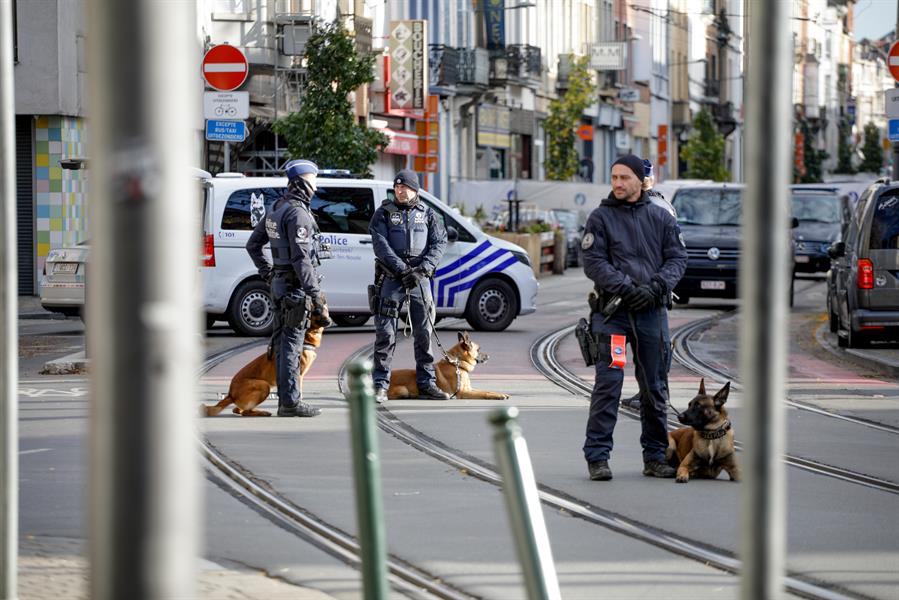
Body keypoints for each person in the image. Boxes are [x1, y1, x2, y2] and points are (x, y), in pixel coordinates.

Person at [581, 154, 687, 480]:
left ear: (641, 181)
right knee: (609, 384)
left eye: (624, 177)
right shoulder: (600, 218)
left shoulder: (661, 217)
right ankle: (597, 457)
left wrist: (655, 287)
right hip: (612, 314)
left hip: (652, 312)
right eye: (614, 177)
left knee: (655, 387)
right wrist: (628, 289)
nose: (618, 183)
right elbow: (593, 262)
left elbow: (677, 258)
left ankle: (655, 456)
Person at [246, 159, 332, 417]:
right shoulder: (298, 214)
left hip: (280, 286)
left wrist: (269, 274)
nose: (316, 187)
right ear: (304, 182)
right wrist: (315, 295)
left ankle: (288, 400)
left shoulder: (275, 208)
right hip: (295, 290)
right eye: (313, 180)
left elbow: (253, 245)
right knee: (292, 346)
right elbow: (301, 259)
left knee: (283, 344)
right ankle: (290, 403)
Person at [369, 169, 449, 404]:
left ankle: (426, 384)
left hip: (419, 279)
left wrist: (422, 270)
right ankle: (380, 385)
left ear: (415, 189)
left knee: (424, 333)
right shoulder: (383, 214)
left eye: (404, 187)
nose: (400, 190)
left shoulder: (429, 214)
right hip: (392, 278)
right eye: (397, 187)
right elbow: (380, 244)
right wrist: (403, 271)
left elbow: (439, 243)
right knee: (385, 333)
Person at [620, 159, 677, 411]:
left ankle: (654, 395)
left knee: (651, 346)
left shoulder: (650, 206)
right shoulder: (661, 203)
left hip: (645, 289)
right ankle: (649, 393)